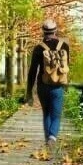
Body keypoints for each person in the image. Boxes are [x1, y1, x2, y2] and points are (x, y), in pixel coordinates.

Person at [26, 19, 70, 148]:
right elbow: (66, 67)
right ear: (55, 31)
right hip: (58, 86)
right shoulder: (64, 46)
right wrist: (66, 84)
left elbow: (32, 71)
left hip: (42, 85)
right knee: (56, 115)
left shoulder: (38, 48)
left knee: (46, 113)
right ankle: (52, 137)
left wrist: (29, 91)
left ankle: (48, 139)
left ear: (43, 31)